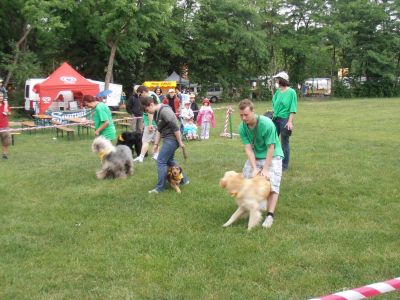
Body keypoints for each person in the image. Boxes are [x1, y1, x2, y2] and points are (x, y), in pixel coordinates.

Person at [238, 99, 284, 229]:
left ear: (253, 111)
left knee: (272, 183)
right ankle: (253, 206)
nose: (243, 118)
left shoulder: (267, 124)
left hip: (273, 155)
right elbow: (248, 148)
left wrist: (265, 169)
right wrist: (254, 168)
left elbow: (271, 147)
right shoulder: (242, 127)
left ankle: (270, 215)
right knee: (246, 180)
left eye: (246, 115)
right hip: (256, 155)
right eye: (241, 115)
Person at [140, 96, 189, 194]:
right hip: (167, 139)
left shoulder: (165, 111)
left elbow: (175, 127)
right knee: (169, 160)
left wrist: (179, 142)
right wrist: (156, 144)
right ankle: (184, 180)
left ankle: (159, 188)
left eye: (147, 109)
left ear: (151, 104)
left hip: (173, 139)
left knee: (161, 161)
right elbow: (159, 129)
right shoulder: (156, 114)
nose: (147, 112)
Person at [271, 71, 297, 171]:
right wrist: (272, 112)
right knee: (271, 141)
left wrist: (290, 122)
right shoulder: (277, 92)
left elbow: (293, 109)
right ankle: (272, 162)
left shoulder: (291, 92)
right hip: (275, 119)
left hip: (285, 120)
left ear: (282, 80)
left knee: (284, 143)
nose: (276, 80)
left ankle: (284, 166)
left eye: (277, 79)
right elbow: (274, 105)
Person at [133, 85, 160, 162]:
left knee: (145, 140)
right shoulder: (153, 94)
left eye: (140, 94)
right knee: (155, 140)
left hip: (151, 122)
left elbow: (150, 112)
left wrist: (149, 124)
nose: (140, 96)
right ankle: (156, 155)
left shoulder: (149, 97)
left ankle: (141, 157)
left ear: (144, 92)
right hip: (156, 122)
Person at [0, 92, 12, 159]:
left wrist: (7, 112)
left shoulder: (5, 104)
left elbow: (9, 113)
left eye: (2, 96)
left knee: (6, 141)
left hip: (4, 126)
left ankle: (5, 154)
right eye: (0, 96)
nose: (1, 97)